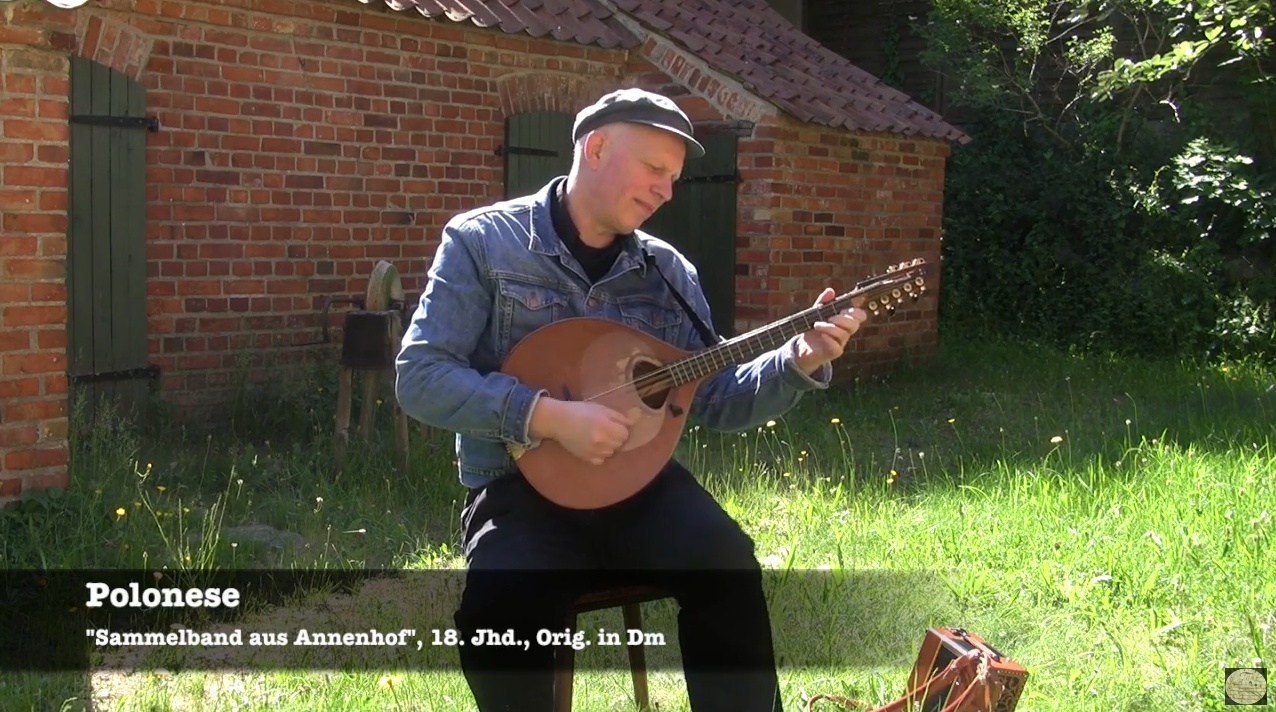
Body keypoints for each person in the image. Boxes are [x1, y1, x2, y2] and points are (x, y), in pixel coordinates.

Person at [395, 88, 868, 712]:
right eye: (654, 169)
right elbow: (420, 375)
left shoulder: (669, 273)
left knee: (725, 562)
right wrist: (550, 417)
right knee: (504, 599)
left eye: (674, 177)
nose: (666, 191)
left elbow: (719, 398)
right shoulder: (485, 243)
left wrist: (799, 360)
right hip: (518, 491)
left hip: (639, 488)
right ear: (595, 148)